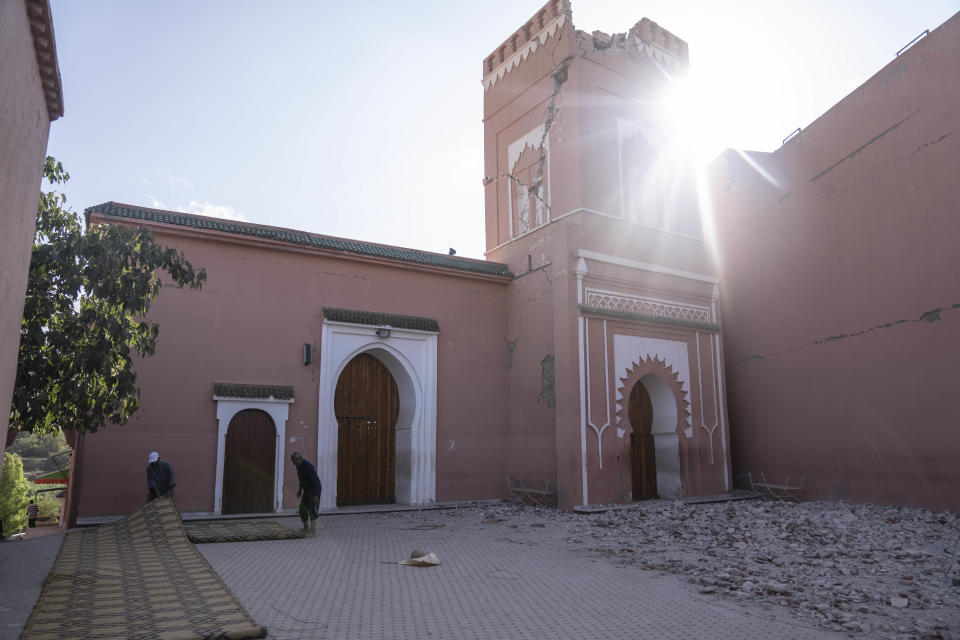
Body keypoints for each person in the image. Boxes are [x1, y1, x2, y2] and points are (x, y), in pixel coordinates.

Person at [290, 451, 321, 535]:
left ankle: (313, 531)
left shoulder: (308, 466)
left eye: (294, 462)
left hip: (314, 490)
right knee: (302, 508)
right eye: (293, 462)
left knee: (312, 509)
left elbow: (315, 481)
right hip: (307, 490)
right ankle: (306, 528)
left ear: (299, 459)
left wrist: (316, 495)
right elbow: (301, 480)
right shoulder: (298, 466)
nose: (294, 464)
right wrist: (300, 490)